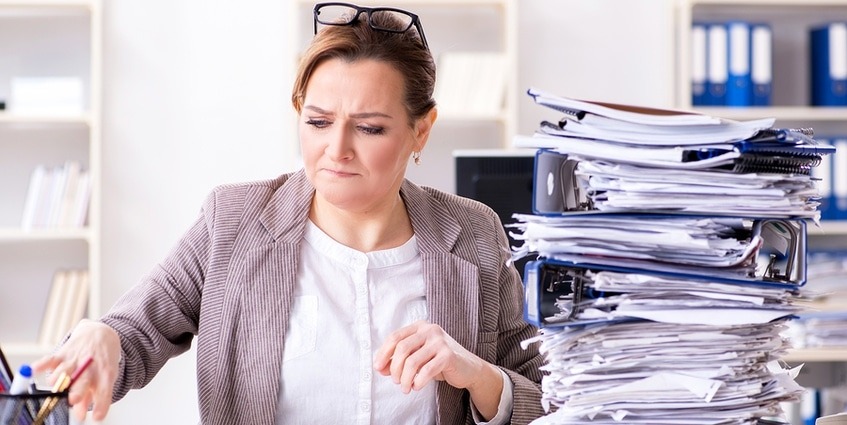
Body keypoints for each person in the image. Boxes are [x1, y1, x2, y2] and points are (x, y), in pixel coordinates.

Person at [33, 3, 545, 424]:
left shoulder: (474, 233)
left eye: (369, 128)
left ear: (421, 131)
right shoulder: (232, 222)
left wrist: (479, 376)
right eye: (318, 121)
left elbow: (549, 397)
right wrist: (101, 337)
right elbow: (133, 333)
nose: (336, 149)